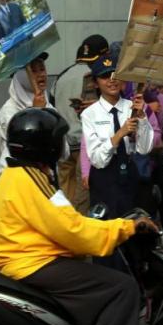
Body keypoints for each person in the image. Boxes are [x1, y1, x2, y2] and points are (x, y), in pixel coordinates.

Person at [0, 108, 157, 325]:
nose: (64, 146)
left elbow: (64, 222)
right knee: (122, 287)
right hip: (33, 264)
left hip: (26, 260)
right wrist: (125, 227)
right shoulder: (31, 180)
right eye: (59, 140)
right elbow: (72, 230)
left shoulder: (18, 176)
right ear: (46, 146)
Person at [80, 54, 153, 271]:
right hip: (104, 181)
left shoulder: (133, 106)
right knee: (106, 239)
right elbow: (97, 159)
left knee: (132, 239)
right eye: (104, 77)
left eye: (115, 75)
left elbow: (145, 147)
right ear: (96, 82)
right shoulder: (90, 114)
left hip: (129, 179)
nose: (111, 80)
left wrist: (142, 118)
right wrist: (119, 134)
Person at [53, 35, 109, 213]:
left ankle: (66, 236)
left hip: (62, 146)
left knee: (65, 202)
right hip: (84, 146)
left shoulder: (61, 76)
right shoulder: (94, 76)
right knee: (83, 202)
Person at [0, 52, 54, 173]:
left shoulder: (49, 106)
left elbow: (64, 152)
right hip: (20, 179)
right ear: (20, 75)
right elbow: (26, 148)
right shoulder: (9, 111)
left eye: (42, 69)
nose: (41, 74)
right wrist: (37, 113)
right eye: (34, 71)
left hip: (47, 180)